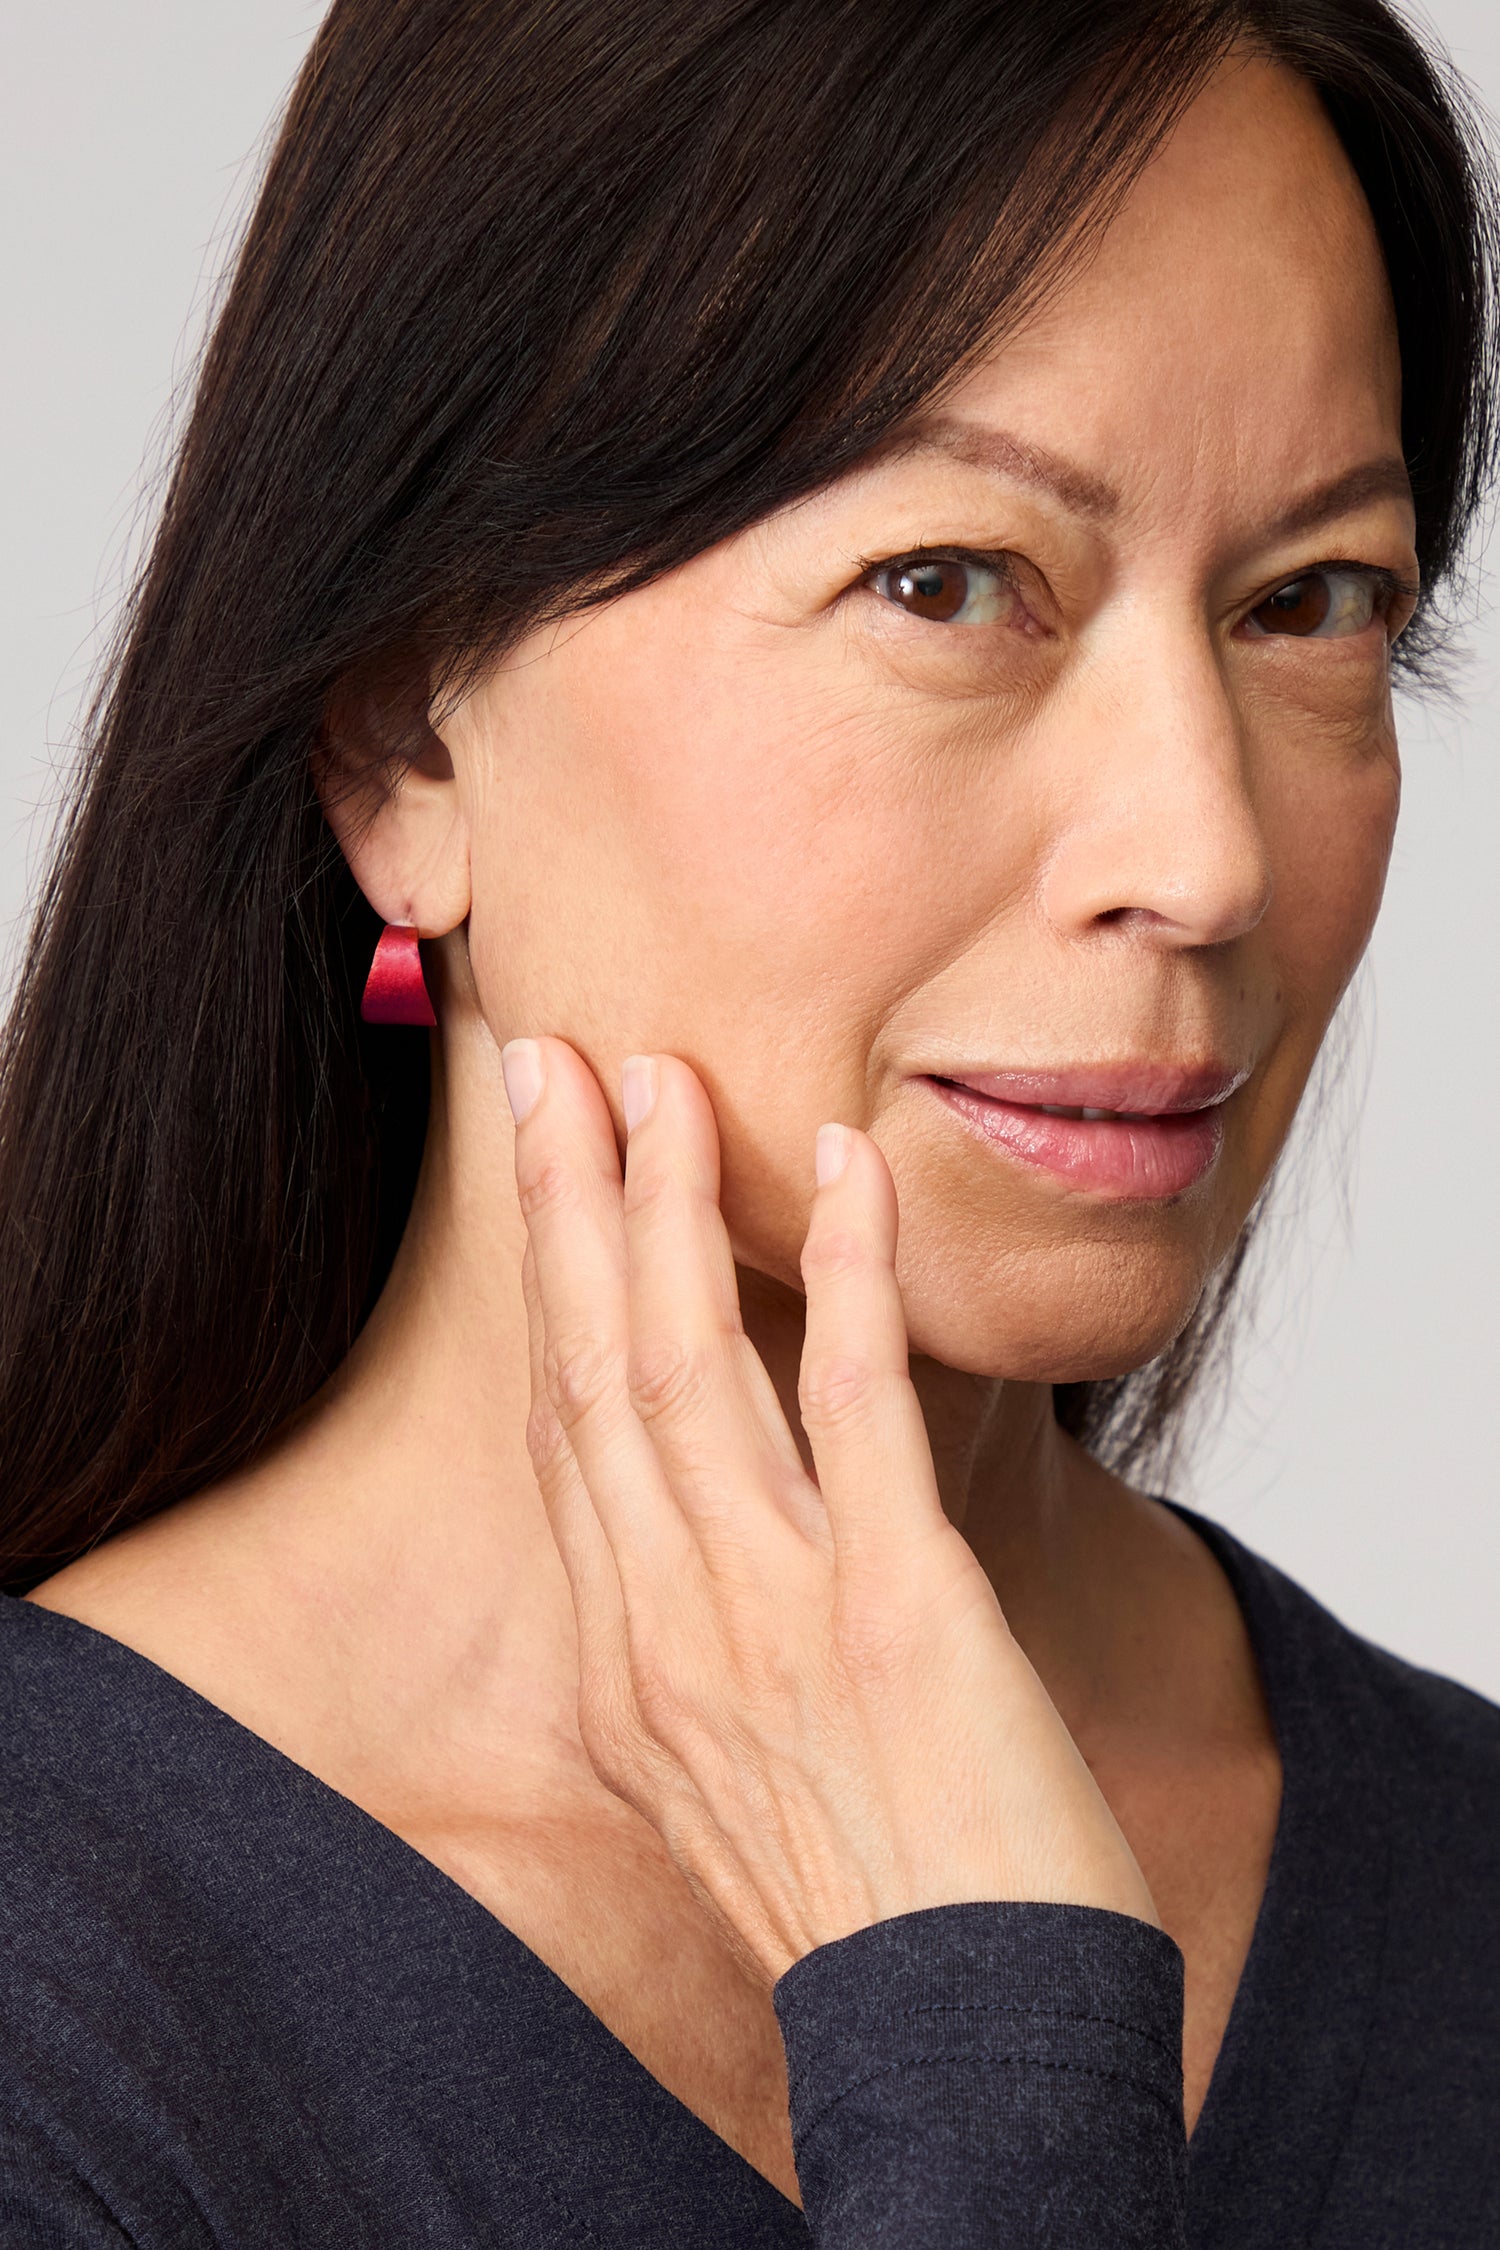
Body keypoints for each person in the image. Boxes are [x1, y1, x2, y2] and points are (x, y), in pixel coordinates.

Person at [2, 0, 1497, 2241]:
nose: (1204, 856)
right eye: (950, 582)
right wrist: (987, 2037)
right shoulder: (62, 2008)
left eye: (1311, 605)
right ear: (409, 737)